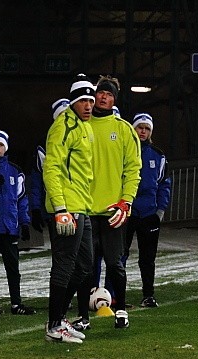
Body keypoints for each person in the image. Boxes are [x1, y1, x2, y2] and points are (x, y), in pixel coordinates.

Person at [86, 75, 142, 329]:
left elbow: (133, 170)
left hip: (113, 211)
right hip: (85, 208)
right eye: (101, 92)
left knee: (115, 264)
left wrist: (126, 201)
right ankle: (82, 315)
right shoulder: (82, 126)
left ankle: (120, 310)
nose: (104, 97)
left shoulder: (124, 130)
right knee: (85, 266)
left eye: (109, 94)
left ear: (114, 99)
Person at [43, 74, 95, 343]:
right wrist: (60, 207)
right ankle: (54, 325)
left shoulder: (84, 127)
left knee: (85, 265)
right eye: (83, 100)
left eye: (90, 100)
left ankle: (59, 319)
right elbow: (51, 167)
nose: (88, 105)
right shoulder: (63, 127)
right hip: (67, 207)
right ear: (73, 102)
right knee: (64, 265)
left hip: (81, 205)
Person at [123, 113, 171, 308]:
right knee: (120, 256)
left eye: (147, 128)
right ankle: (118, 296)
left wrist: (160, 211)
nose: (143, 131)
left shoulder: (158, 156)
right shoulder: (124, 151)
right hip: (127, 212)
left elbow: (164, 184)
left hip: (149, 213)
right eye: (139, 127)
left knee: (148, 258)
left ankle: (148, 294)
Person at [0, 130, 35, 315]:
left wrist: (24, 222)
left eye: (0, 145)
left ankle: (16, 303)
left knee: (13, 268)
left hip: (9, 226)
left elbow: (21, 199)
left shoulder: (15, 170)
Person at [29, 98, 70, 234]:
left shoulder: (85, 139)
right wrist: (35, 209)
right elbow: (37, 182)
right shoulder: (44, 147)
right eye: (61, 115)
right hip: (54, 207)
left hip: (81, 205)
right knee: (62, 251)